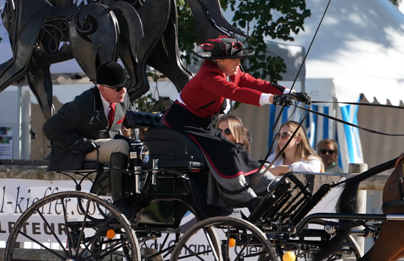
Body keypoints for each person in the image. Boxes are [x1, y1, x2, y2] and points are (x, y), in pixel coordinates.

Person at [161, 37, 310, 133]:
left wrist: (290, 93)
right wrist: (273, 99)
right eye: (235, 59)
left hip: (201, 122)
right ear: (219, 61)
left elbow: (257, 84)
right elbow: (234, 92)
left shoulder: (233, 72)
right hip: (181, 122)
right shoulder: (208, 76)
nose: (239, 62)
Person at [43, 61, 132, 171]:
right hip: (79, 152)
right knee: (121, 146)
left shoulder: (123, 98)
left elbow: (132, 119)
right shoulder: (81, 105)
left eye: (125, 86)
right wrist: (82, 143)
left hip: (103, 145)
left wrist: (157, 121)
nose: (123, 91)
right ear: (102, 89)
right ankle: (118, 187)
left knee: (139, 148)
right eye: (118, 88)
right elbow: (49, 128)